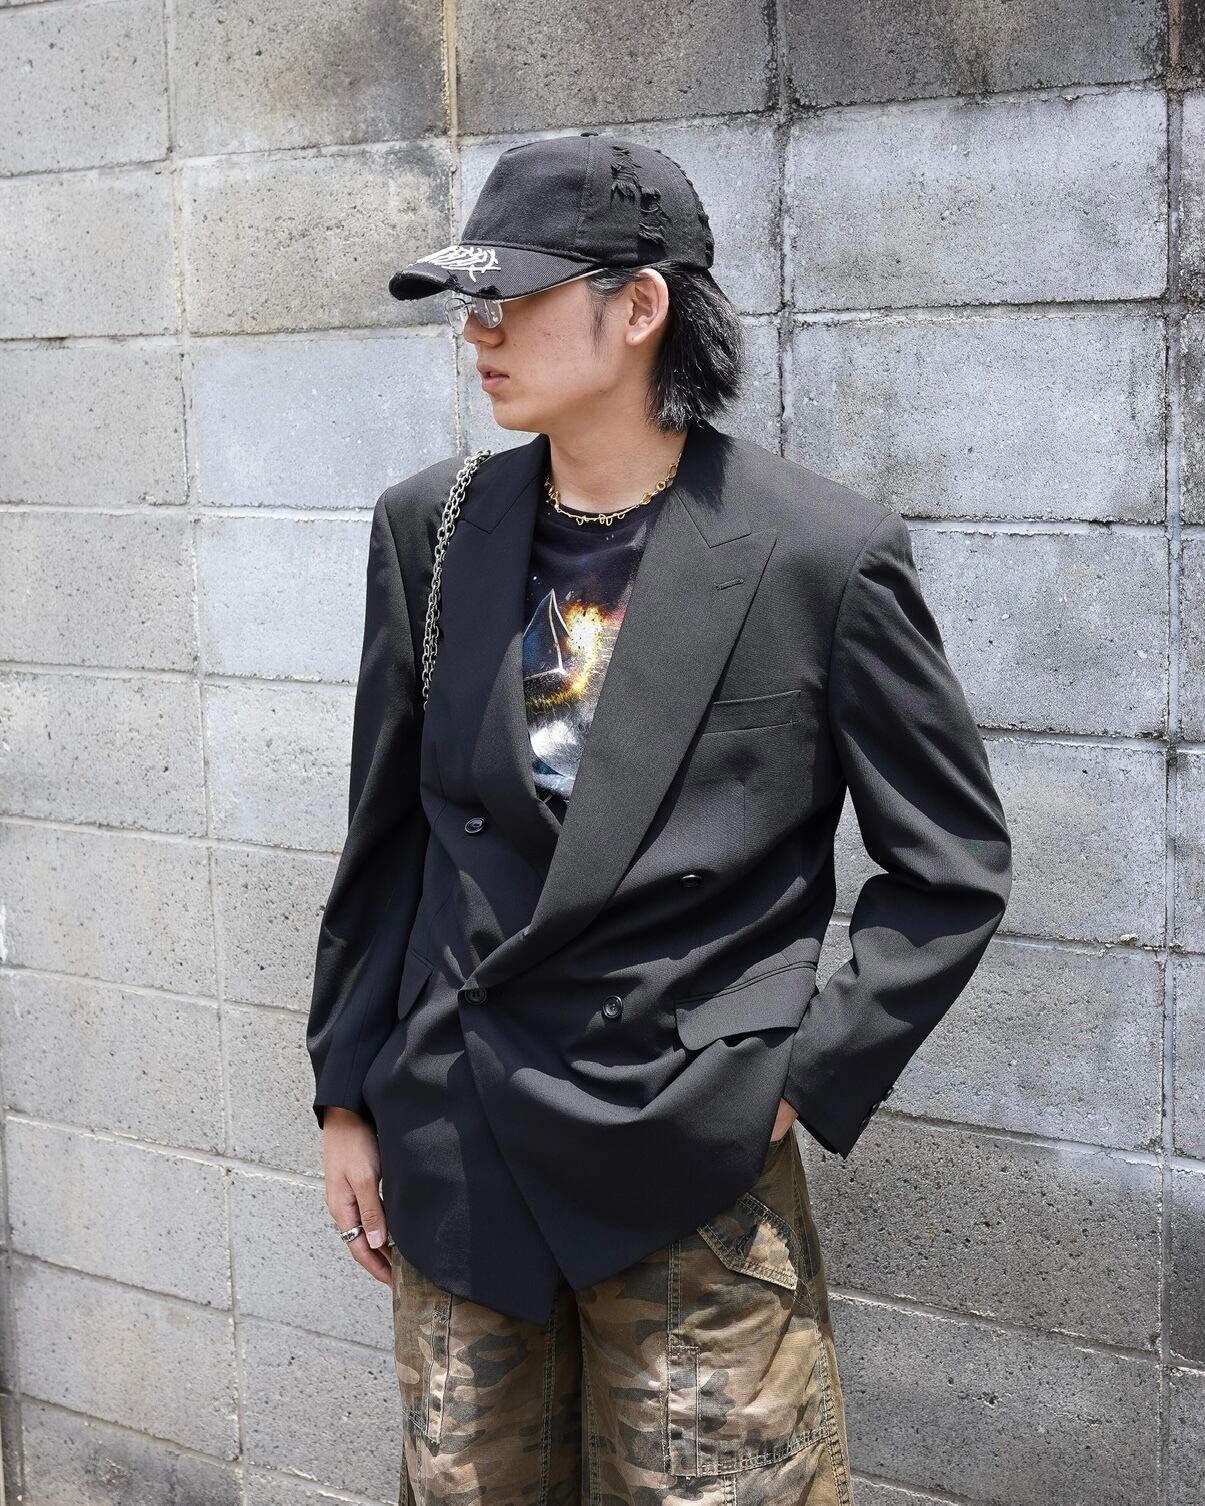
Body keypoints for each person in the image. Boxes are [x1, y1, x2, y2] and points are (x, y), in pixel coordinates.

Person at [306, 132, 1013, 1504]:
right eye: (469, 301)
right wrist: (346, 1092)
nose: (478, 332)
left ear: (640, 308)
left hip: (691, 1162)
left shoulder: (817, 553)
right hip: (461, 1139)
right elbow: (385, 837)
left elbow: (951, 866)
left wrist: (794, 1075)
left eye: (512, 297)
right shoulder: (431, 529)